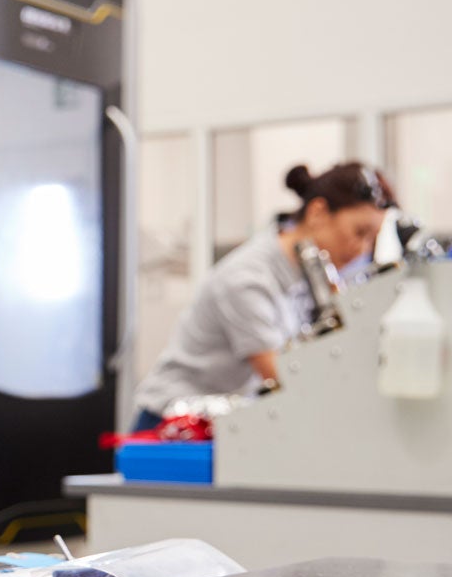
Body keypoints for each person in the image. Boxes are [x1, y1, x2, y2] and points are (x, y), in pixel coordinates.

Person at [129, 161, 391, 429]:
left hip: (226, 423)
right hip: (170, 426)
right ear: (318, 213)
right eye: (359, 233)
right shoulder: (247, 279)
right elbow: (284, 375)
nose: (362, 249)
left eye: (372, 239)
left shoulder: (310, 274)